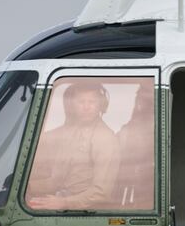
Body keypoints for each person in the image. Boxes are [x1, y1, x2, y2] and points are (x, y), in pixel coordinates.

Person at [26, 81, 119, 210]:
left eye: (92, 102)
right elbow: (56, 181)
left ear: (101, 105)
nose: (86, 107)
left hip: (85, 210)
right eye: (81, 102)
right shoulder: (72, 134)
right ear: (72, 106)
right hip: (63, 199)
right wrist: (28, 186)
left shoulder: (105, 138)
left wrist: (64, 203)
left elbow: (101, 192)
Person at [114, 83, 155, 209]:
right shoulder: (128, 129)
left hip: (148, 183)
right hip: (128, 182)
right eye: (140, 99)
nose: (142, 103)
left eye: (147, 100)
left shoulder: (157, 126)